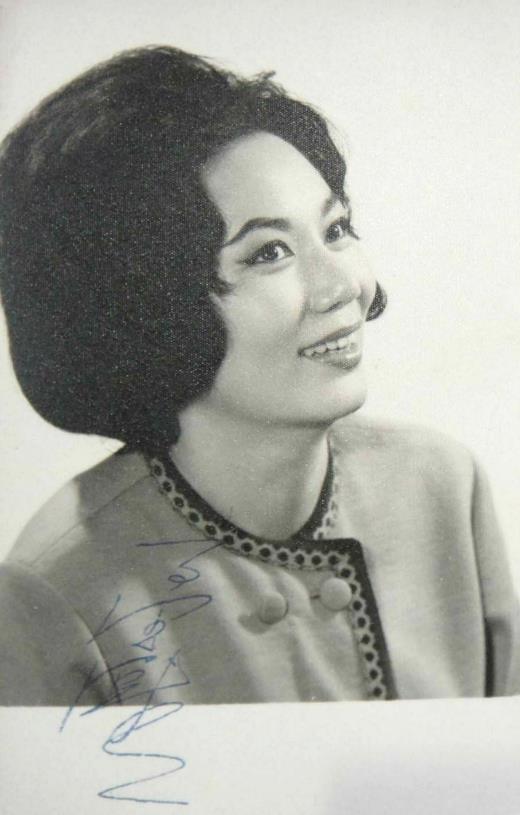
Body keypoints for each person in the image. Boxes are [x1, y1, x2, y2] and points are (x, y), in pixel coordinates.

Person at [0, 45, 517, 706]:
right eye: (269, 252)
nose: (341, 287)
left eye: (336, 228)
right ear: (148, 305)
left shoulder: (443, 487)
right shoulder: (55, 591)